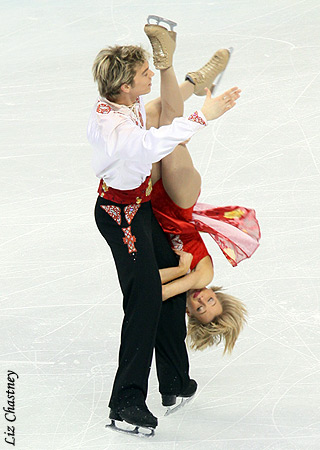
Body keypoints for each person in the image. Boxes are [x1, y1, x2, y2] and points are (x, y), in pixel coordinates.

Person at [87, 17, 237, 434]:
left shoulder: (123, 104)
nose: (147, 75)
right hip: (123, 221)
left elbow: (160, 116)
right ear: (124, 87)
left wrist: (187, 89)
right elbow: (153, 142)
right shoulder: (114, 130)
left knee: (163, 295)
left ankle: (174, 380)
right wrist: (204, 117)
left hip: (143, 208)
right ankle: (126, 402)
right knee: (144, 303)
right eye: (143, 73)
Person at [145, 74, 260, 356]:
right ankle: (168, 64)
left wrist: (177, 271)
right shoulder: (202, 275)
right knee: (170, 127)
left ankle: (191, 86)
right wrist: (183, 271)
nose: (201, 299)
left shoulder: (182, 282)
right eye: (210, 300)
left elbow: (142, 279)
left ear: (191, 315)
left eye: (200, 308)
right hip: (180, 202)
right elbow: (154, 291)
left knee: (150, 116)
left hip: (155, 203)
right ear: (216, 293)